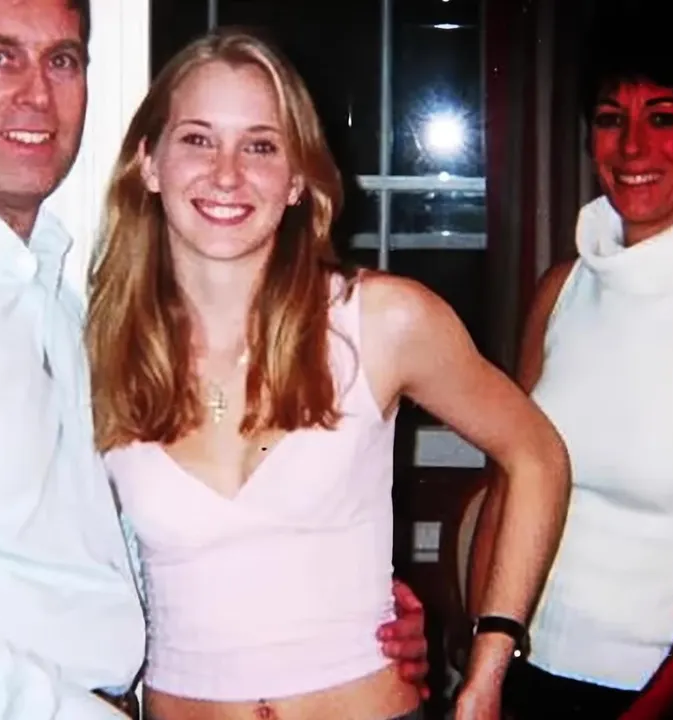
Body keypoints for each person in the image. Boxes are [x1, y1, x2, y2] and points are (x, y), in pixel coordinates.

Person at [0, 1, 433, 718]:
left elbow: (90, 553)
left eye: (62, 61)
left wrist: (331, 609)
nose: (36, 93)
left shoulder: (56, 295)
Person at [86, 28, 571, 720]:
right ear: (149, 162)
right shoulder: (97, 350)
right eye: (197, 139)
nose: (226, 174)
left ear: (296, 180)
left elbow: (537, 454)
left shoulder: (381, 321)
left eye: (260, 146)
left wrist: (489, 666)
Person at [467, 9, 673, 720]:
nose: (632, 145)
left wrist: (655, 708)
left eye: (663, 118)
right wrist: (481, 661)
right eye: (610, 118)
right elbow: (507, 488)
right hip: (528, 674)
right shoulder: (560, 289)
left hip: (668, 689)